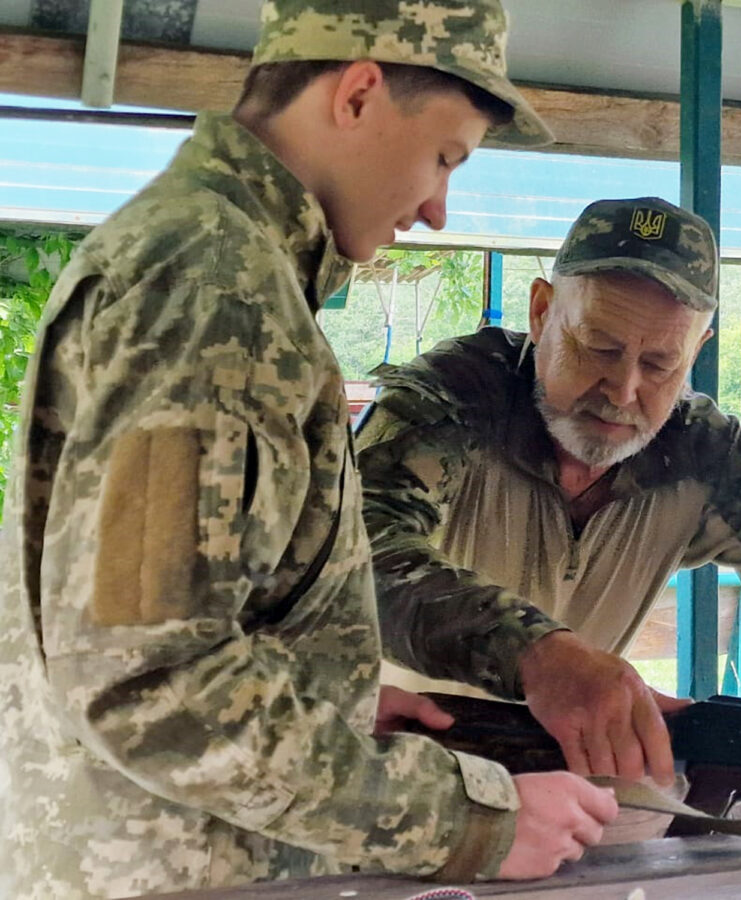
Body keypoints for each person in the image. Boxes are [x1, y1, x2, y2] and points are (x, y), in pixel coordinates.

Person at [0, 2, 619, 897]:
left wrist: (327, 696)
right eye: (445, 158)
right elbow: (151, 680)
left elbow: (166, 619)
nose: (438, 209)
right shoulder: (215, 281)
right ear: (358, 94)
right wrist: (465, 819)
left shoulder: (212, 257)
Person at [356, 196, 741, 789]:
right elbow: (360, 558)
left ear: (696, 352)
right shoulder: (452, 401)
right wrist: (536, 652)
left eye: (660, 364)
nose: (622, 391)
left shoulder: (704, 451)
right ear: (541, 312)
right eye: (599, 348)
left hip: (571, 791)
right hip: (387, 775)